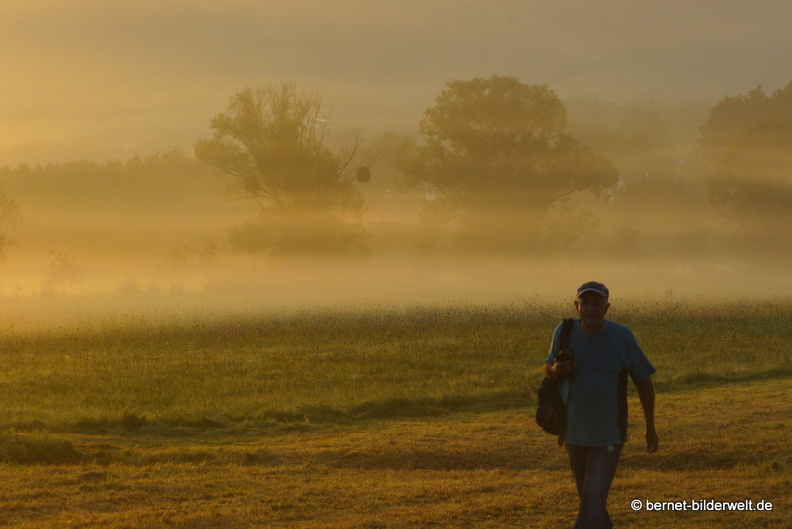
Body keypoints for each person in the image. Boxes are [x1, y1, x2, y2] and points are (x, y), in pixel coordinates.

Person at [543, 281, 659, 529]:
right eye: (585, 303)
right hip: (573, 433)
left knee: (593, 498)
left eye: (597, 303)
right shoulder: (564, 331)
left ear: (607, 308)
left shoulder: (621, 336)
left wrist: (650, 427)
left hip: (608, 435)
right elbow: (548, 367)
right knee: (591, 503)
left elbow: (644, 382)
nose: (591, 309)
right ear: (577, 306)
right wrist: (555, 369)